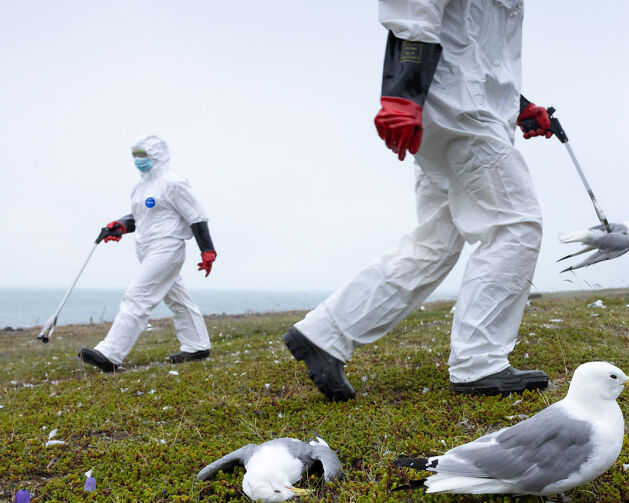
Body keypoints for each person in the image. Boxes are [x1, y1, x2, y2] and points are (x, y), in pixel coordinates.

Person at [284, 0, 554, 401]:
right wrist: (401, 93)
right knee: (513, 225)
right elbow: (414, 11)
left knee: (436, 241)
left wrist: (518, 105)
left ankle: (326, 333)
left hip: (456, 109)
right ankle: (480, 362)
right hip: (459, 113)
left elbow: (471, 44)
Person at [78, 134, 217, 372]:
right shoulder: (140, 188)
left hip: (168, 246)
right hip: (146, 247)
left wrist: (207, 250)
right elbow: (140, 218)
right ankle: (197, 346)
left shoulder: (173, 183)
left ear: (157, 155)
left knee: (137, 295)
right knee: (176, 297)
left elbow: (196, 214)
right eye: (135, 156)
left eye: (142, 155)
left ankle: (110, 353)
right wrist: (120, 225)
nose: (138, 160)